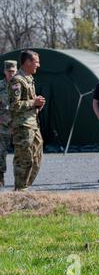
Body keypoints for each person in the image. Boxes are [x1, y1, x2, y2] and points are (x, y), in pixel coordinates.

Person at [8, 51, 45, 191]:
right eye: (36, 62)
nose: (38, 65)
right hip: (22, 126)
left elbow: (29, 103)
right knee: (24, 159)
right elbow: (13, 105)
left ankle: (25, 187)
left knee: (37, 158)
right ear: (28, 62)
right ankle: (20, 190)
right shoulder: (17, 80)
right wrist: (33, 102)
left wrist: (38, 105)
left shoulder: (29, 78)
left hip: (33, 124)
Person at [0, 60, 17, 187]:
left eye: (13, 71)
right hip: (3, 126)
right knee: (1, 154)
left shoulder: (21, 85)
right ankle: (0, 180)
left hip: (18, 125)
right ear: (4, 71)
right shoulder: (0, 86)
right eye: (8, 71)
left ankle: (21, 182)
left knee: (22, 155)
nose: (11, 73)